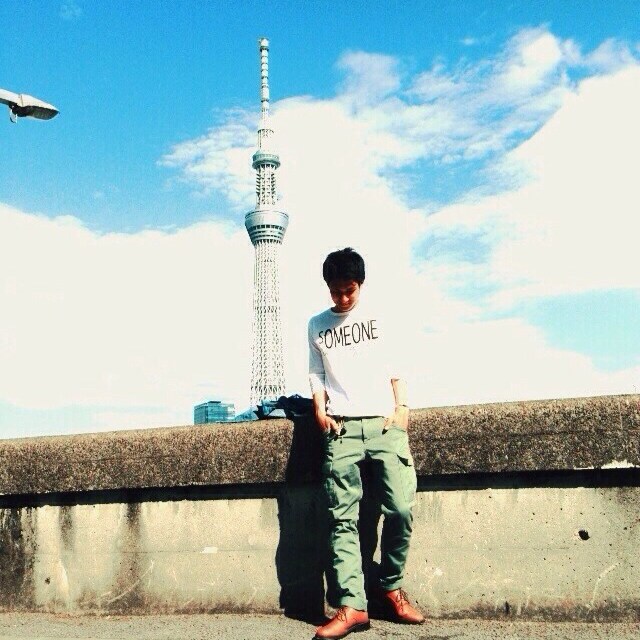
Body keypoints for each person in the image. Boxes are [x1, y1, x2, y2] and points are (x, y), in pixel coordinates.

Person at [308, 248, 424, 639]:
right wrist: (319, 409)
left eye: (349, 290)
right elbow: (316, 372)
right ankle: (353, 606)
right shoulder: (316, 325)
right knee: (342, 519)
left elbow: (397, 365)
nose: (342, 298)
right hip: (340, 428)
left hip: (384, 425)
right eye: (335, 291)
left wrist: (402, 407)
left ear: (360, 284)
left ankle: (391, 586)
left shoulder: (380, 317)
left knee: (401, 508)